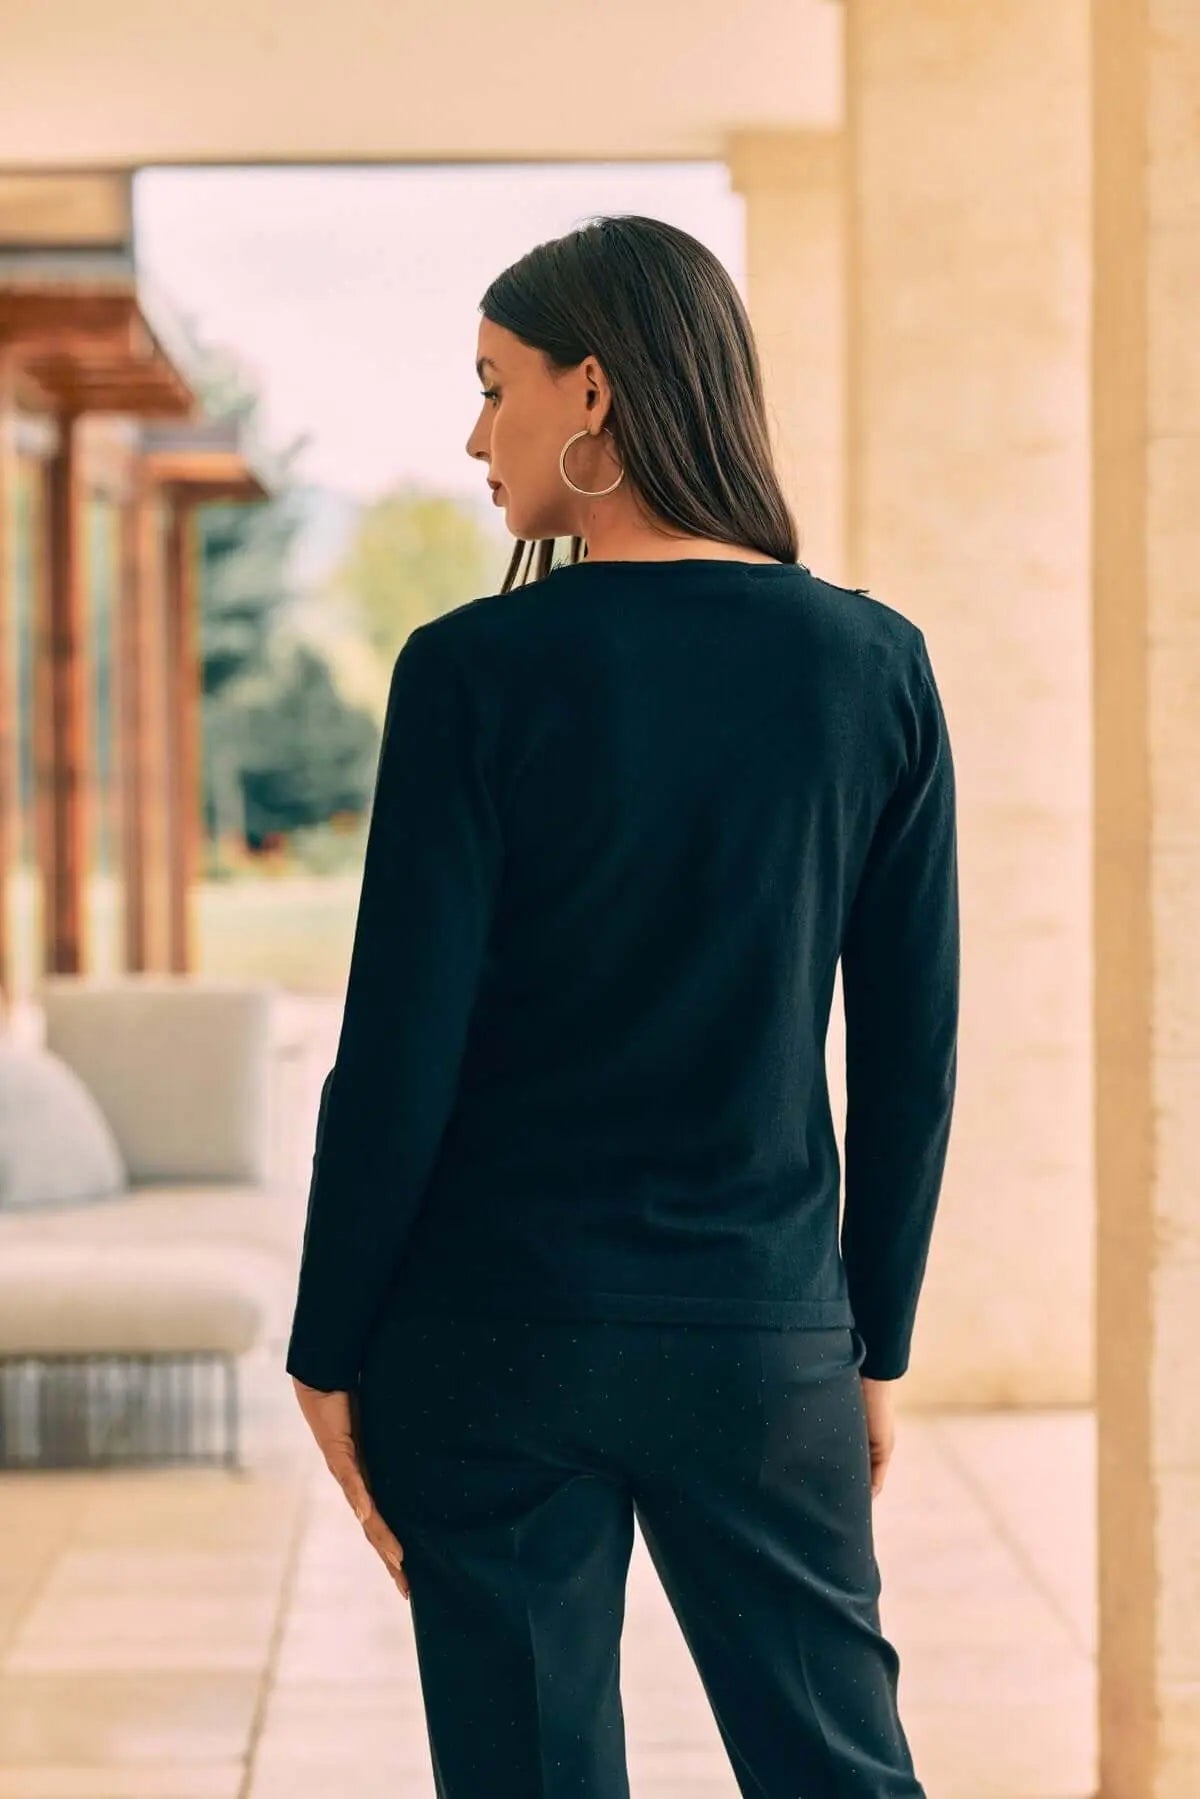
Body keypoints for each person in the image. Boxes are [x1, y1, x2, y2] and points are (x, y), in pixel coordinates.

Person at [286, 212, 958, 1798]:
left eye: (493, 385)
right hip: (760, 1336)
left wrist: (329, 1346)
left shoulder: (469, 673)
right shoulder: (872, 667)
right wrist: (869, 1340)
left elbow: (398, 1053)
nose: (475, 435)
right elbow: (910, 1056)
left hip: (492, 1340)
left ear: (590, 391)